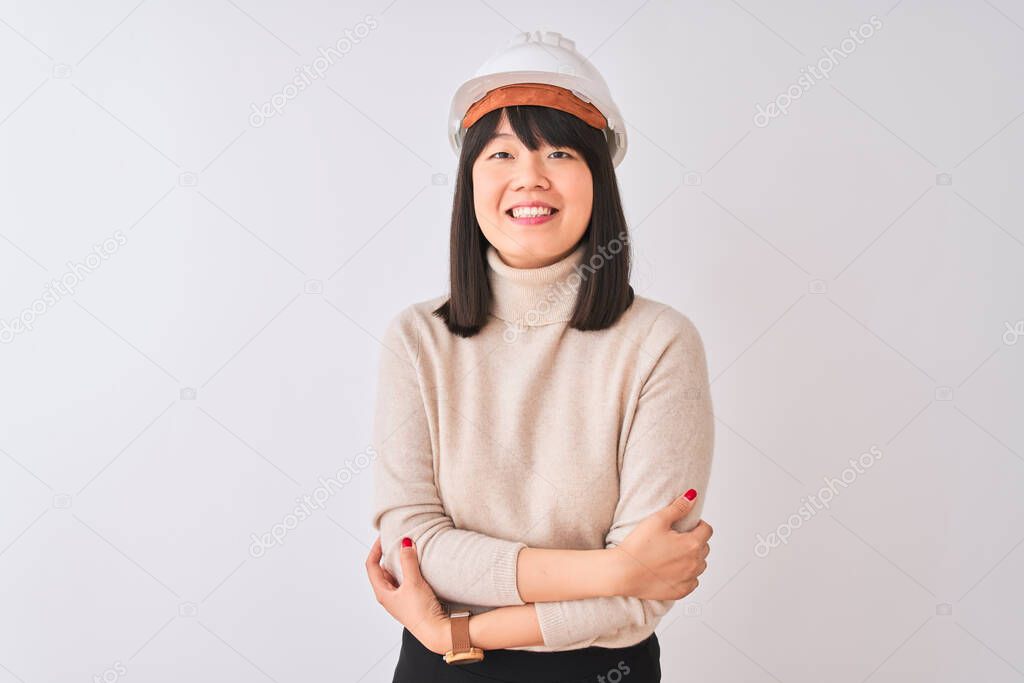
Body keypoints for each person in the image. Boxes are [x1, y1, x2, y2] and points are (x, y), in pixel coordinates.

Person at [364, 29, 714, 683]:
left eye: (558, 151)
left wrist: (454, 629)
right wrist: (614, 566)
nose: (529, 176)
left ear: (597, 178)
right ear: (469, 180)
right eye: (499, 153)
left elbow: (646, 591)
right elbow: (414, 546)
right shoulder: (416, 339)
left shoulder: (659, 343)